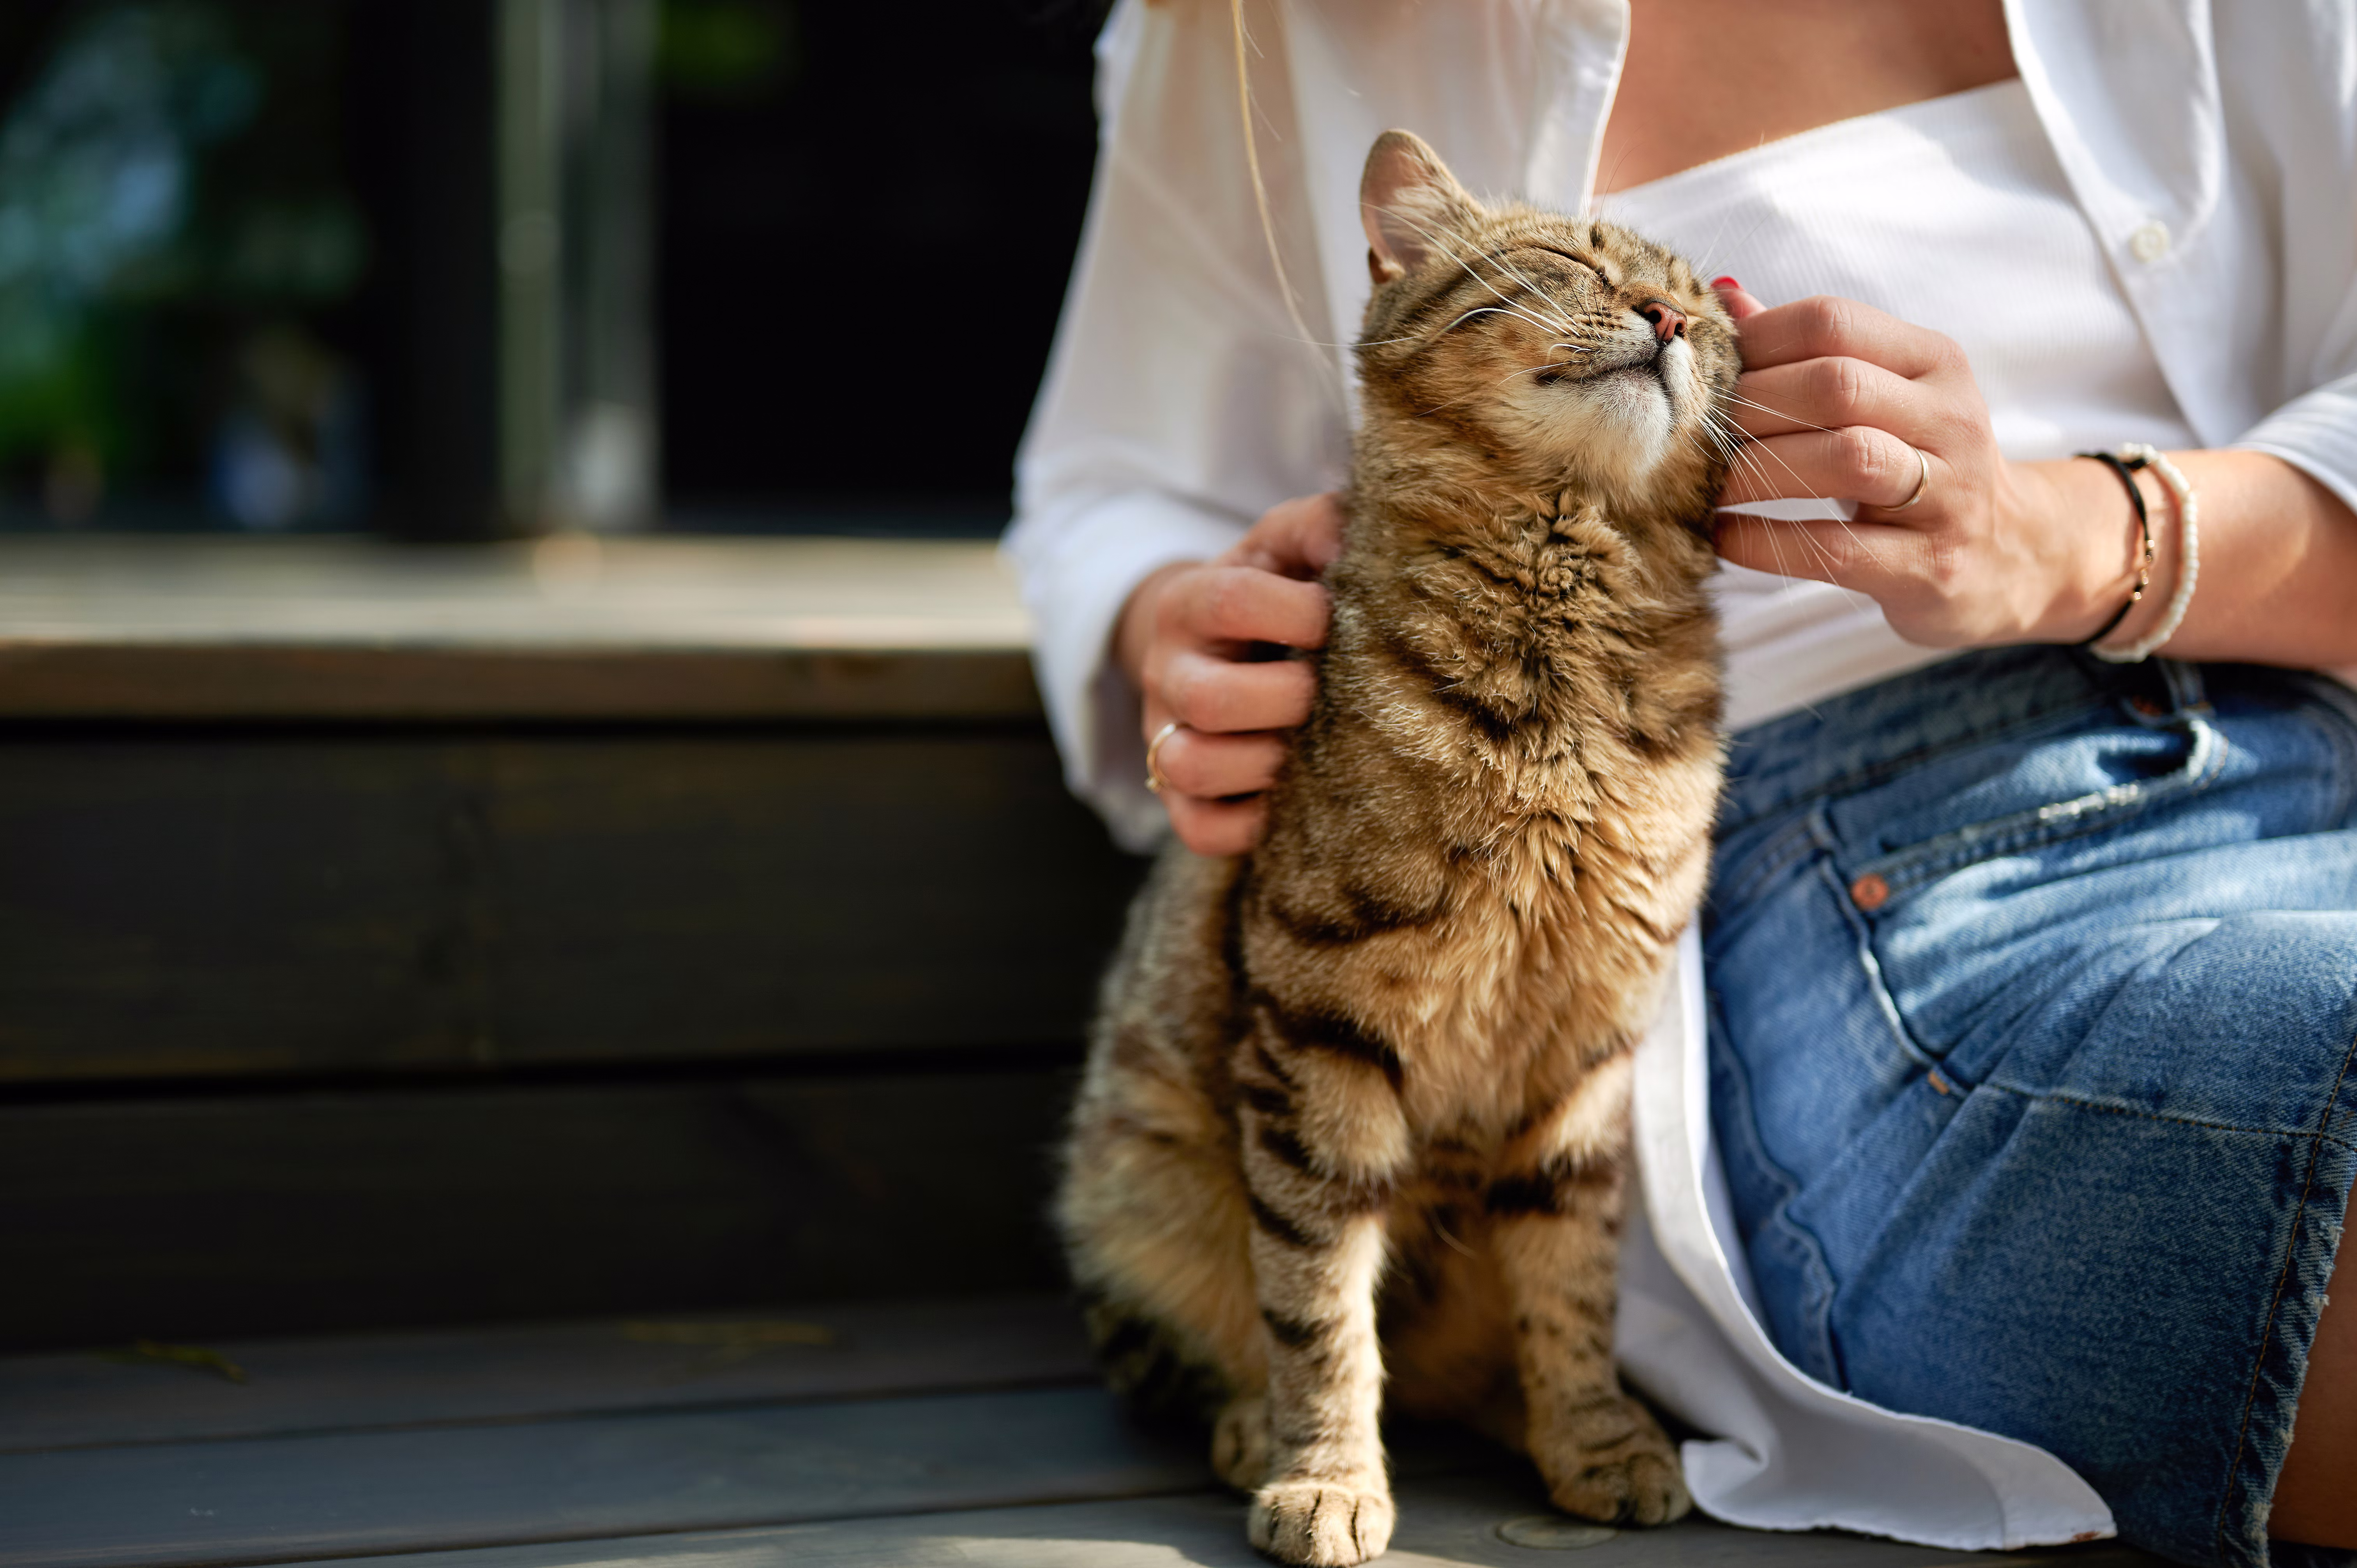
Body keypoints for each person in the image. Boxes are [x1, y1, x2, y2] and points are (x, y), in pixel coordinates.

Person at [1005, 2, 2357, 1562]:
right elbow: (1115, 485)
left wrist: (2072, 534)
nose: (1647, 322)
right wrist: (1176, 629)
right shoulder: (1251, 34)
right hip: (1859, 883)